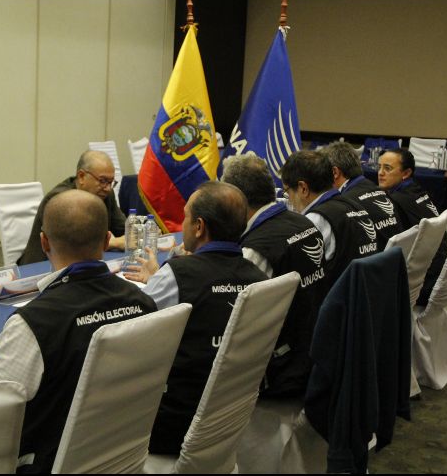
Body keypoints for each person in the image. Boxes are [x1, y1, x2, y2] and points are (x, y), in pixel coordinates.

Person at [0, 189, 157, 473]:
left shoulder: (33, 323)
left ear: (43, 242)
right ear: (106, 241)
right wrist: (9, 366)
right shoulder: (144, 302)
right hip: (120, 458)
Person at [123, 181, 268, 454]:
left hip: (172, 426)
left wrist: (162, 279)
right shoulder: (259, 278)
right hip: (230, 421)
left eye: (186, 217)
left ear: (199, 227)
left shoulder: (179, 275)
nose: (183, 223)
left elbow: (133, 335)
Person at [222, 154, 327, 398]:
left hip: (280, 369)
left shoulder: (255, 252)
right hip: (314, 350)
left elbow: (234, 320)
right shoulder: (305, 224)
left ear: (236, 199)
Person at [280, 150, 378, 292]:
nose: (288, 199)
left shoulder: (316, 220)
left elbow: (301, 277)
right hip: (363, 296)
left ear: (303, 188)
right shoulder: (354, 205)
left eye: (287, 192)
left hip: (336, 305)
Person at [17, 150, 126, 265]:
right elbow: (77, 248)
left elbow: (128, 232)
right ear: (81, 176)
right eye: (103, 181)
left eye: (111, 182)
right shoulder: (60, 200)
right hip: (42, 267)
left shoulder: (105, 193)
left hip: (84, 264)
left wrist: (119, 240)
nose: (108, 188)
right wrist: (115, 243)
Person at [377, 148, 447, 306]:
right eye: (379, 167)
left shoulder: (395, 201)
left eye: (387, 168)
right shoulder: (417, 191)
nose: (380, 173)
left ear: (406, 173)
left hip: (420, 286)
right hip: (438, 277)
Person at [324, 141, 403, 250]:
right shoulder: (374, 187)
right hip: (392, 258)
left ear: (335, 172)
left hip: (376, 261)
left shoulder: (346, 204)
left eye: (323, 171)